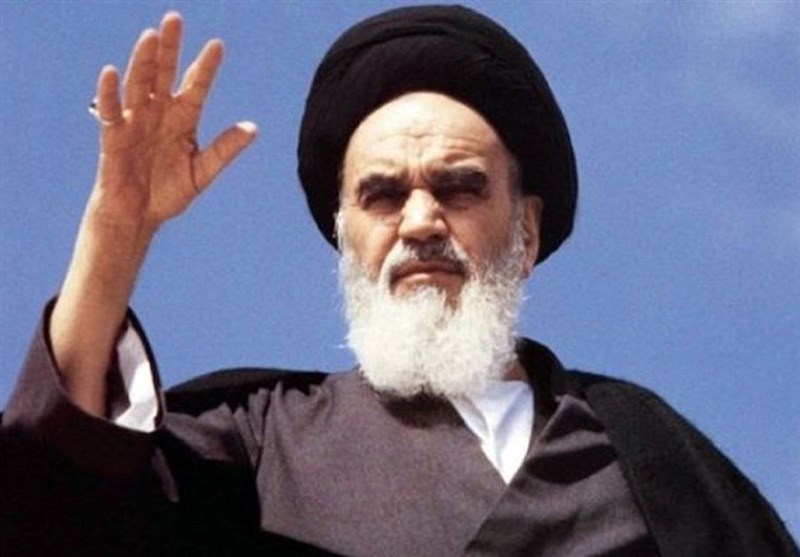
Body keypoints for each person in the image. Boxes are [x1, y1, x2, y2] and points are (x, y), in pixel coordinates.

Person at [1, 5, 796, 557]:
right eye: (382, 195)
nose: (420, 220)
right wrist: (118, 232)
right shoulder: (260, 441)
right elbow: (52, 498)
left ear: (525, 228)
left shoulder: (653, 461)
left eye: (459, 187)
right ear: (345, 236)